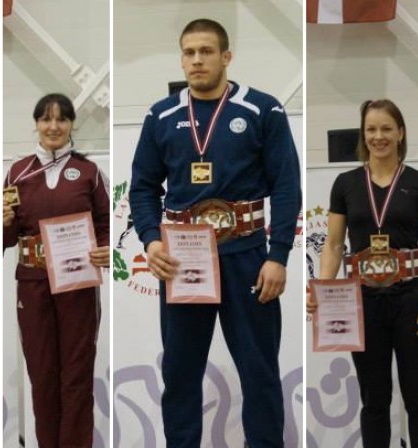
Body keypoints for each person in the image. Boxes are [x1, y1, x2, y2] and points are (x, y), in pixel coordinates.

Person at [129, 18, 301, 447]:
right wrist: (151, 240)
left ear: (226, 57)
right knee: (180, 374)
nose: (197, 60)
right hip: (183, 259)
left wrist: (278, 255)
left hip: (247, 256)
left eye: (206, 51)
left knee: (259, 371)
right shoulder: (161, 115)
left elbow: (286, 186)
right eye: (189, 52)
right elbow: (143, 188)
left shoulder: (263, 109)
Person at [308, 99, 418, 447]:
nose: (378, 136)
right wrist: (323, 290)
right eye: (371, 129)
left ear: (400, 133)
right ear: (362, 134)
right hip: (362, 300)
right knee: (374, 399)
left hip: (411, 296)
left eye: (386, 128)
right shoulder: (346, 183)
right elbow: (335, 245)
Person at [2, 93, 110, 448]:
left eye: (62, 119)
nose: (53, 126)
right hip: (32, 283)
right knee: (42, 374)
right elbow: (5, 238)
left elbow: (106, 223)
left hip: (77, 281)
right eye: (46, 119)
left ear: (71, 125)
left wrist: (106, 249)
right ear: (35, 123)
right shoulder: (18, 173)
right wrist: (2, 226)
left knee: (76, 374)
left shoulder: (90, 172)